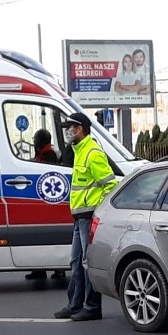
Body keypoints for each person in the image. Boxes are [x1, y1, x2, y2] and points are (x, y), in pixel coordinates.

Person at [53, 112, 118, 321]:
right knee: (75, 262)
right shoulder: (79, 150)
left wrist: (98, 211)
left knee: (86, 262)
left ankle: (92, 307)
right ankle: (74, 305)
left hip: (88, 216)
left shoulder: (92, 152)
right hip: (79, 217)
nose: (67, 131)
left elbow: (109, 185)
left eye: (70, 127)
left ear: (79, 128)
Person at [25, 128, 65, 281]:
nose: (34, 142)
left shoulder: (49, 154)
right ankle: (39, 270)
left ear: (41, 140)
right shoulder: (43, 153)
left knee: (49, 236)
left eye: (36, 139)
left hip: (50, 201)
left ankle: (58, 270)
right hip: (43, 200)